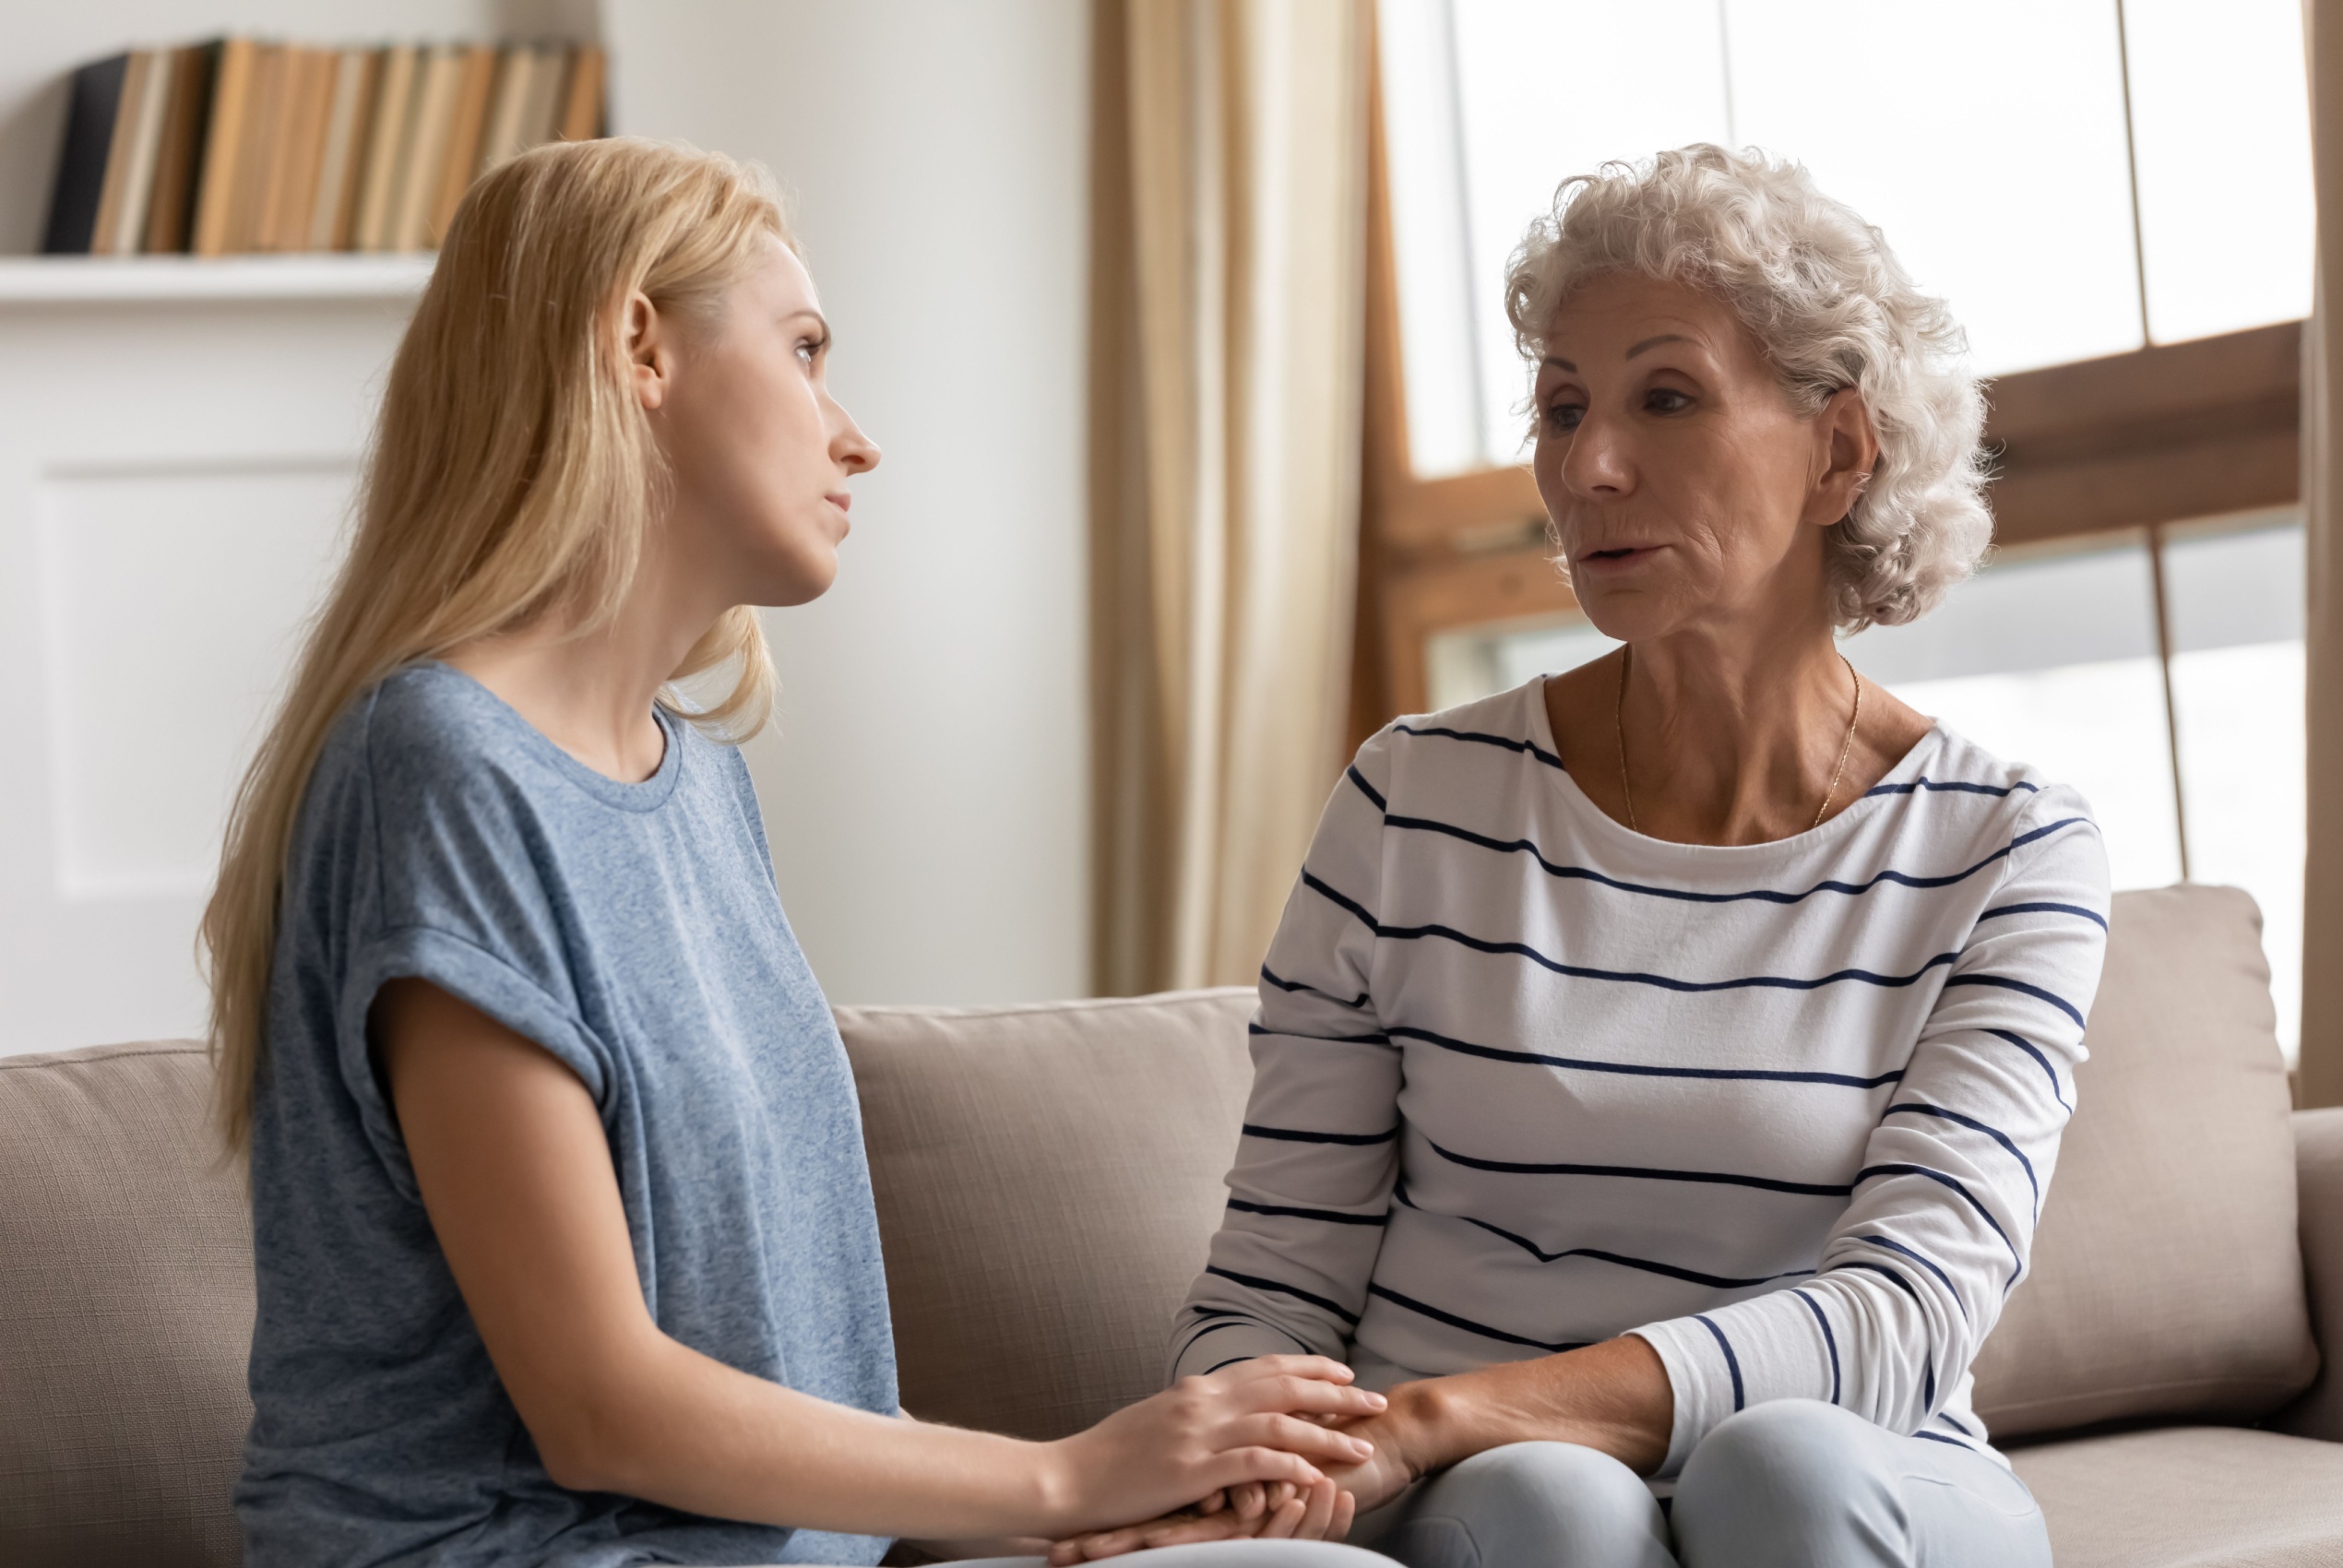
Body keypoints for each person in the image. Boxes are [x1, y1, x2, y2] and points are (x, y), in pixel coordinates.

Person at [201, 137, 1389, 1568]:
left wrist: (1105, 1504)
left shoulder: (701, 791)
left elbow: (787, 1404)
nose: (854, 433)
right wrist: (1074, 1478)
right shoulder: (441, 768)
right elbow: (597, 1408)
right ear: (639, 342)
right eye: (807, 350)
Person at [1058, 145, 2107, 1568]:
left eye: (1666, 398)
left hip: (1857, 1468)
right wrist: (1269, 1446)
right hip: (1485, 1497)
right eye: (1563, 407)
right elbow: (1275, 1276)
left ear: (1840, 450)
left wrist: (1443, 1414)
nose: (1587, 466)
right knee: (1550, 1501)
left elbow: (1905, 1311)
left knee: (1783, 1469)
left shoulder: (2007, 848)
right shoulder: (1415, 800)